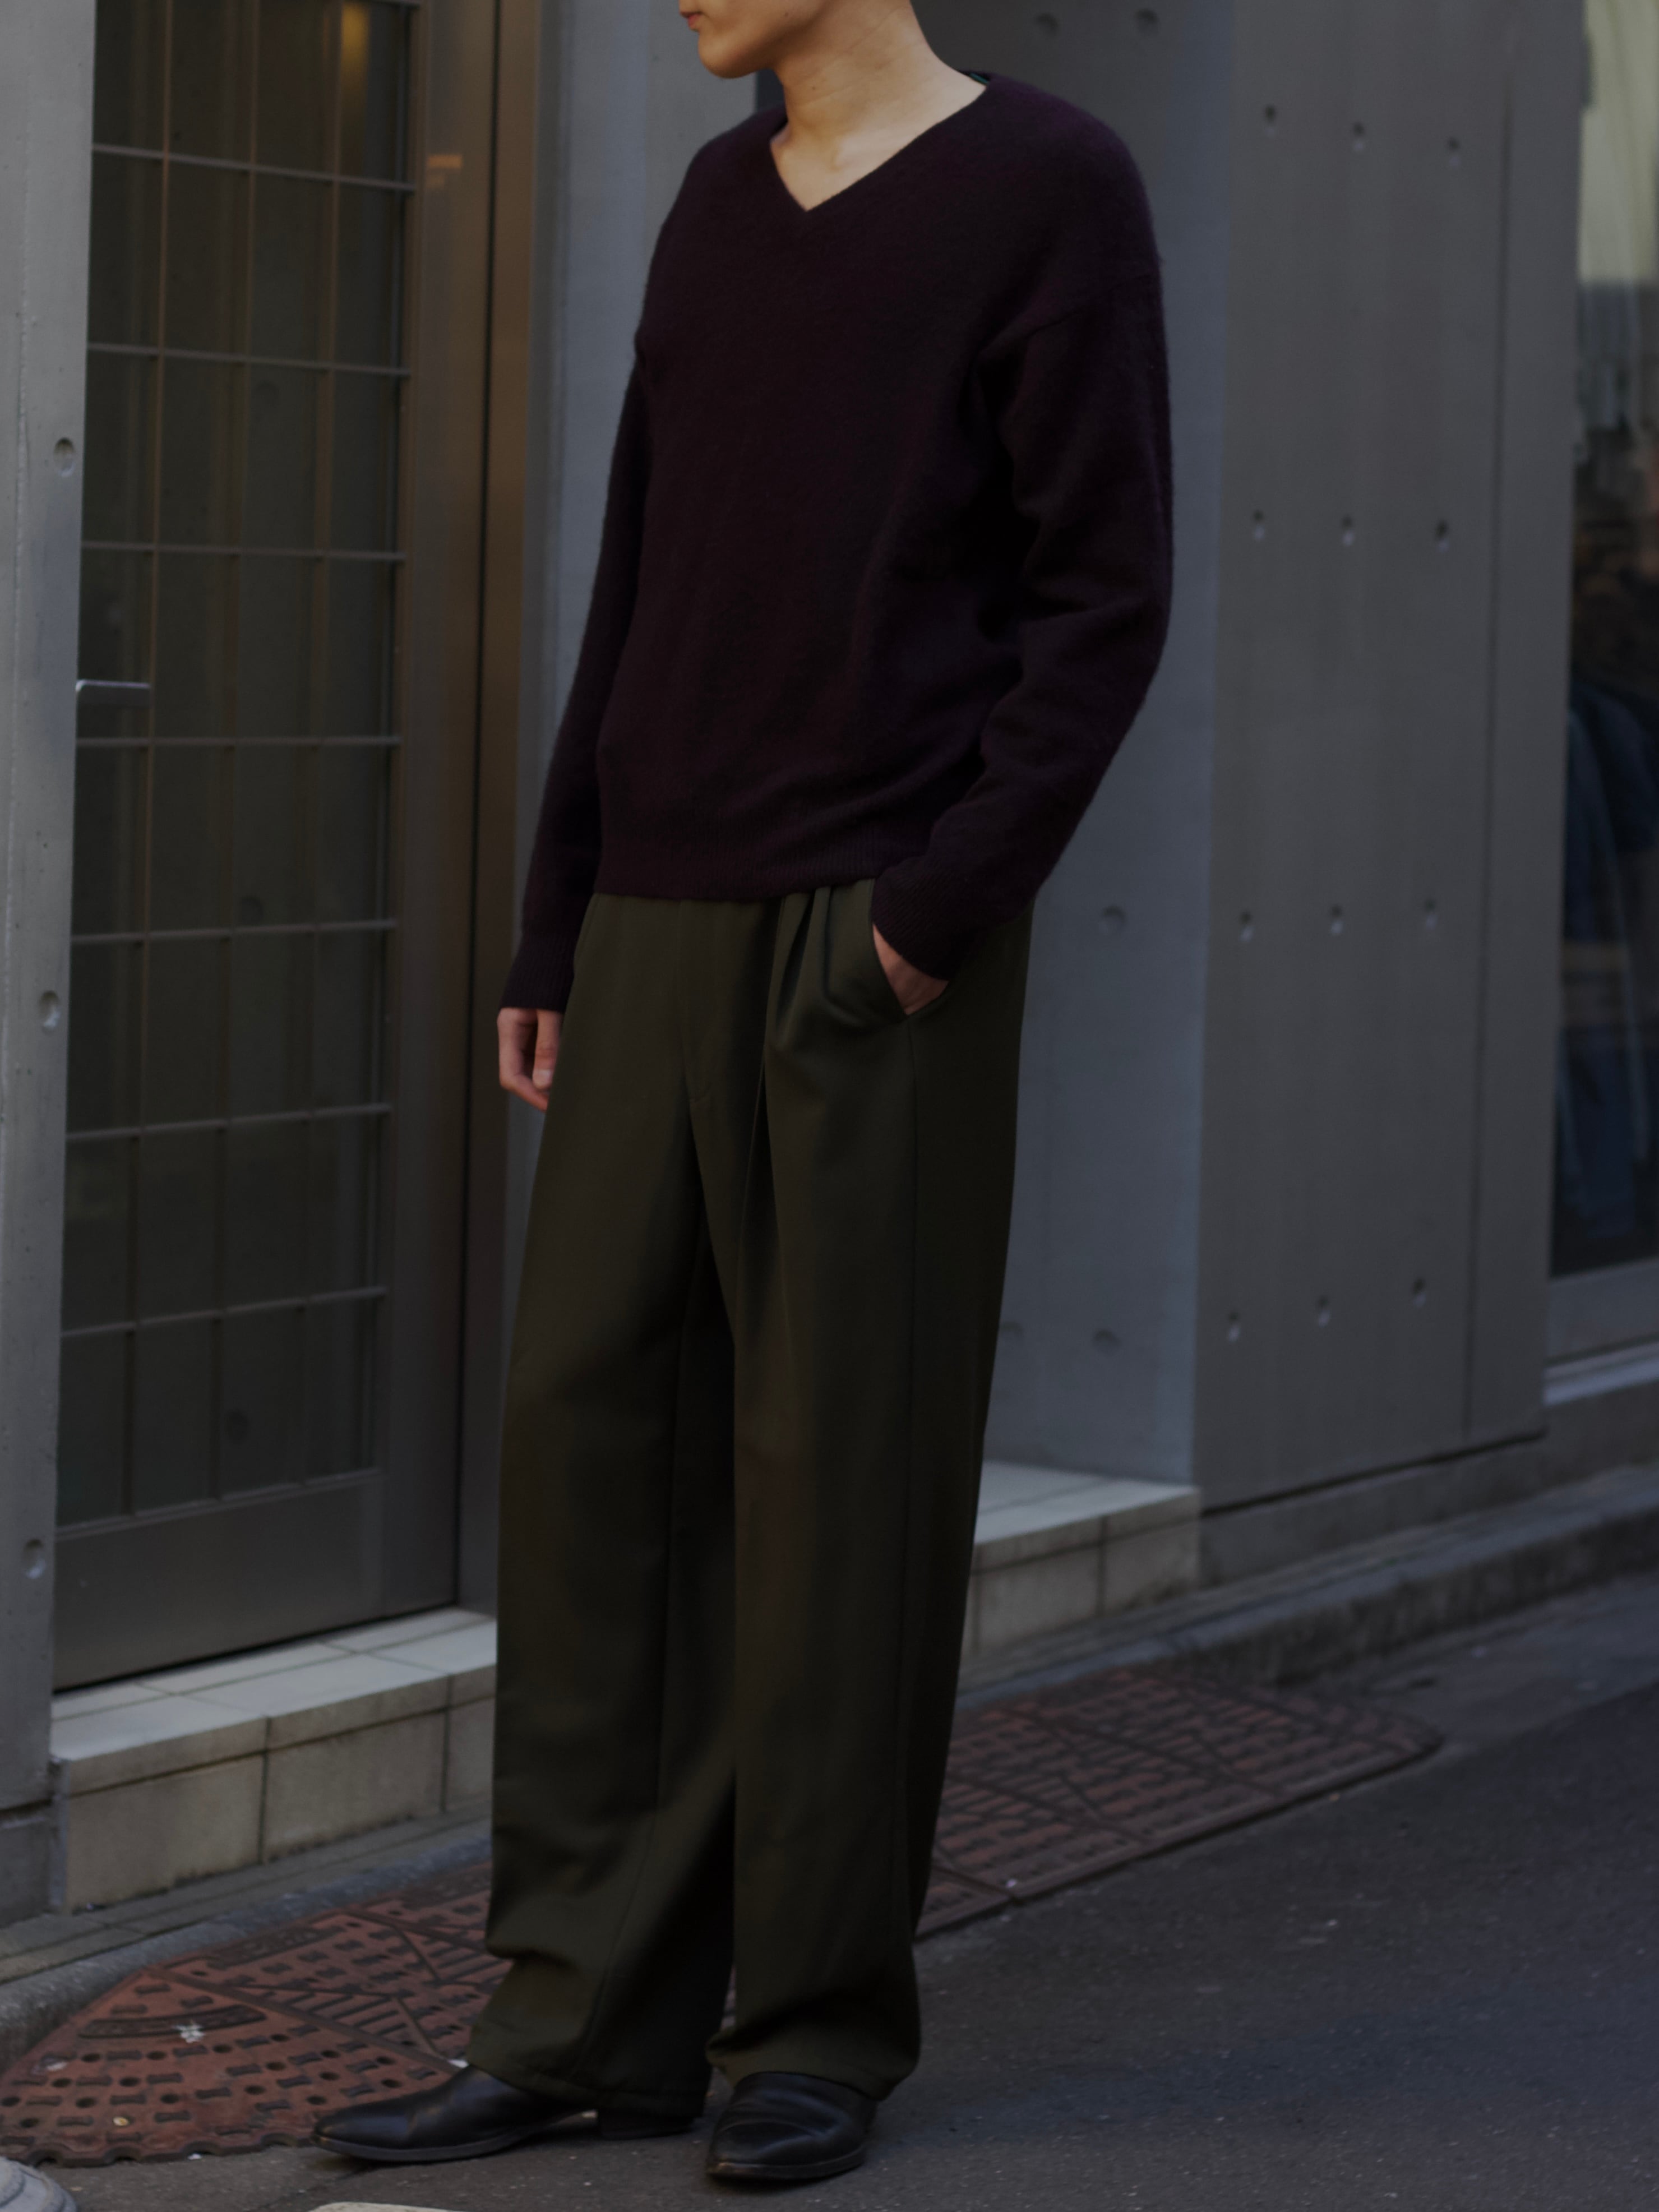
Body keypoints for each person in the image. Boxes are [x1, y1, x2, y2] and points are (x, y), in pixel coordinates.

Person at [317, 0, 1170, 2186]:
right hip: (652, 918)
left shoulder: (1047, 188)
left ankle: (811, 2027)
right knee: (589, 1463)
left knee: (838, 1480)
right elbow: (642, 570)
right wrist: (557, 916)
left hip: (869, 935)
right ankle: (583, 2017)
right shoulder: (715, 200)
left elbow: (1100, 599)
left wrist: (932, 914)